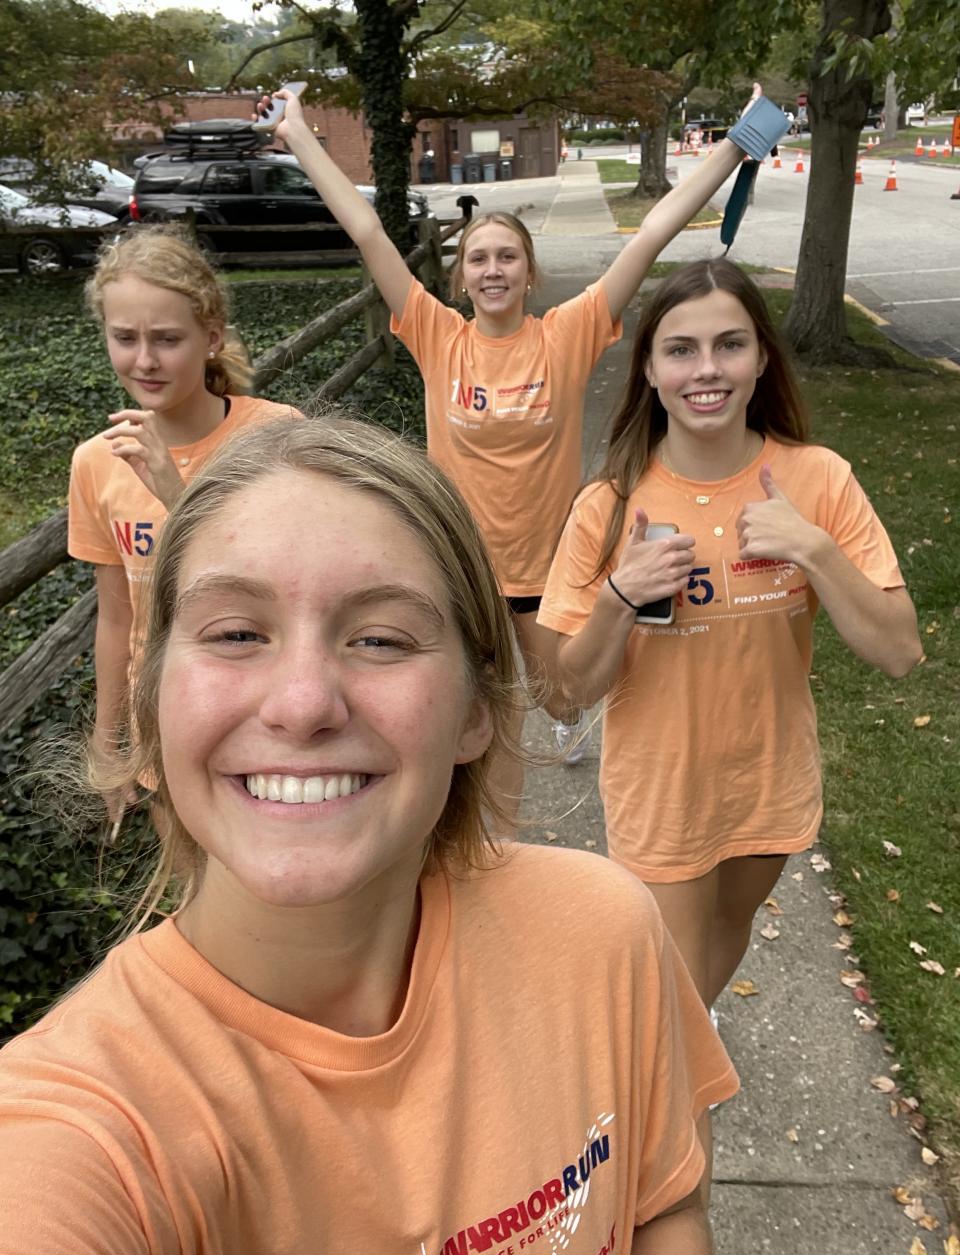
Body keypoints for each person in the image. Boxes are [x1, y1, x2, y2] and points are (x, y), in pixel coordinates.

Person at [0, 417, 738, 1255]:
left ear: (475, 710)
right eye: (236, 633)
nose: (303, 704)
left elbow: (662, 1205)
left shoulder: (601, 933)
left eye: (381, 639)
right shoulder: (86, 1125)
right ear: (155, 699)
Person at [256, 87, 782, 815]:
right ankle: (496, 857)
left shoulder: (566, 334)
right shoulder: (438, 335)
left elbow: (651, 235)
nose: (493, 269)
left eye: (507, 256)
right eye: (478, 258)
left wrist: (736, 143)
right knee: (492, 725)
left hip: (547, 571)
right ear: (461, 276)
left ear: (529, 272)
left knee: (562, 696)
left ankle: (568, 723)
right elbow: (368, 229)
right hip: (464, 572)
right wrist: (298, 136)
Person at [538, 258, 922, 1008]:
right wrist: (619, 598)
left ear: (762, 359)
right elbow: (564, 694)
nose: (706, 369)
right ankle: (681, 1063)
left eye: (730, 345)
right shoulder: (609, 505)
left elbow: (900, 651)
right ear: (649, 369)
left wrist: (813, 549)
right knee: (670, 1000)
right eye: (681, 349)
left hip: (768, 785)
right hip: (662, 793)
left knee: (725, 928)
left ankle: (691, 1039)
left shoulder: (819, 479)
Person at [68, 225, 300, 814]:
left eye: (168, 339)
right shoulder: (96, 462)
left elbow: (296, 577)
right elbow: (117, 617)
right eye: (124, 337)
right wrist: (107, 740)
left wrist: (178, 494)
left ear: (211, 337)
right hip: (165, 708)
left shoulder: (274, 433)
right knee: (183, 864)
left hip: (267, 700)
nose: (144, 360)